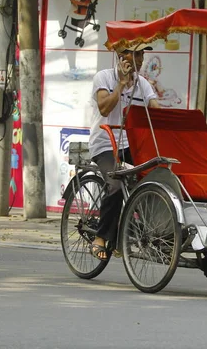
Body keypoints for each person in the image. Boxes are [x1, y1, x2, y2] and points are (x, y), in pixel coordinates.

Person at [88, 43, 160, 260]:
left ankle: (130, 233)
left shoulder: (143, 84)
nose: (140, 60)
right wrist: (120, 85)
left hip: (131, 144)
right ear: (121, 57)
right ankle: (100, 237)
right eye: (135, 55)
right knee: (116, 185)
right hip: (105, 144)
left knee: (152, 181)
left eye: (142, 55)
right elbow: (104, 108)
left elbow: (156, 111)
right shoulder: (104, 78)